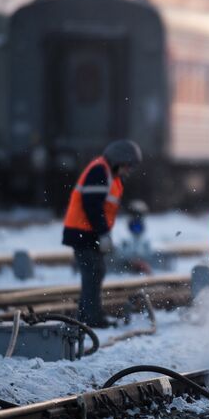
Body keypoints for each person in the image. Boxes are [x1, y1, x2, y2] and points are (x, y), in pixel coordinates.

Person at [62, 140, 142, 327]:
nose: (128, 170)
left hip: (87, 232)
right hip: (82, 232)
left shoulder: (107, 173)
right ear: (119, 160)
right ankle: (91, 318)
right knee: (93, 272)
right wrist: (104, 233)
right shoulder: (99, 171)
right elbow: (93, 206)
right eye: (128, 165)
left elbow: (103, 204)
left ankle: (86, 315)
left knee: (95, 272)